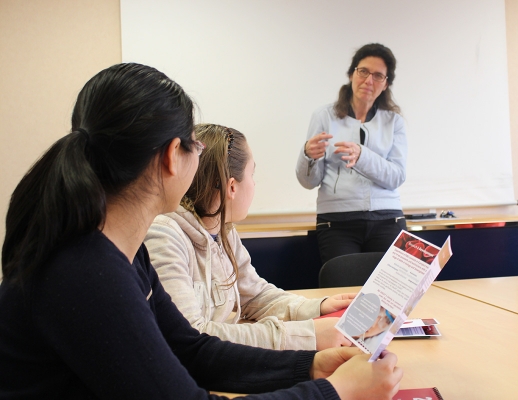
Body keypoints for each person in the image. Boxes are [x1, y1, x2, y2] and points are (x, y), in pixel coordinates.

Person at [0, 63, 403, 399]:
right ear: (171, 157)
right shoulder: (89, 274)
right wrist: (336, 392)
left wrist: (310, 366)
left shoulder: (123, 253)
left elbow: (191, 350)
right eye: (194, 143)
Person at [145, 124, 355, 351]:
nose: (254, 184)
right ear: (232, 187)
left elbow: (255, 296)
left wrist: (317, 308)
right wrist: (307, 335)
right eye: (251, 174)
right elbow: (191, 336)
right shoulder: (164, 236)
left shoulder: (223, 230)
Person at [296, 43, 408, 265]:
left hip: (388, 217)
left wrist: (362, 156)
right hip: (337, 221)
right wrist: (308, 156)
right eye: (363, 71)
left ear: (386, 84)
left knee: (392, 285)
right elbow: (308, 182)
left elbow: (397, 177)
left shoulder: (394, 121)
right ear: (351, 74)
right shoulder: (324, 116)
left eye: (378, 76)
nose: (369, 81)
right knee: (343, 283)